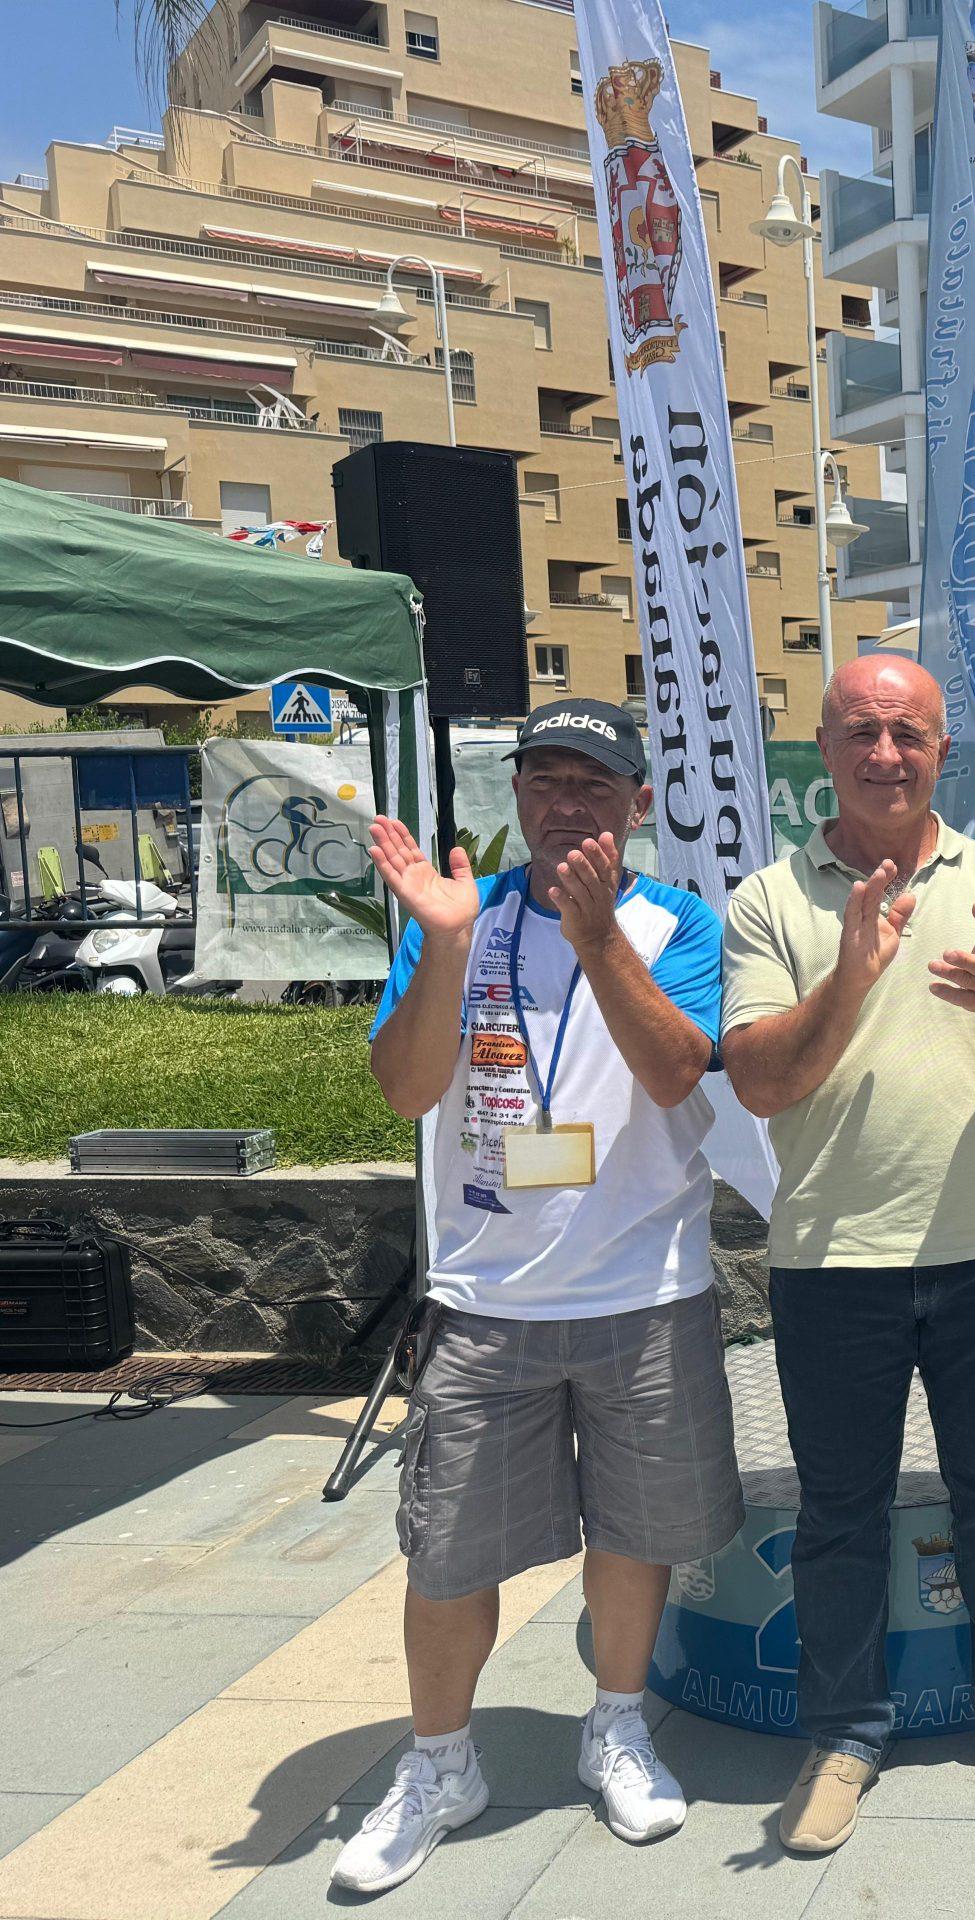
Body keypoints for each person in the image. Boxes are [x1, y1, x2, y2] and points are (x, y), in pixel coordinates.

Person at [335, 699, 742, 1895]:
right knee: (446, 1555)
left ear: (638, 803)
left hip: (647, 1294)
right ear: (515, 795)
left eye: (592, 784)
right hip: (486, 1301)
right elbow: (407, 1091)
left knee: (635, 1534)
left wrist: (597, 931)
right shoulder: (458, 917)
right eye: (544, 781)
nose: (565, 803)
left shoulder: (679, 924)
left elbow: (676, 1072)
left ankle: (615, 1724)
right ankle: (438, 1761)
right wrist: (446, 947)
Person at [722, 656, 975, 1856]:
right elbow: (759, 1080)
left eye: (908, 733)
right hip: (833, 1259)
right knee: (840, 1510)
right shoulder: (770, 899)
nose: (886, 754)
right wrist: (850, 977)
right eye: (862, 732)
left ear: (941, 752)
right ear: (824, 746)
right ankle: (843, 1734)